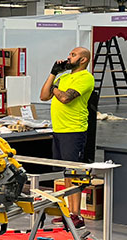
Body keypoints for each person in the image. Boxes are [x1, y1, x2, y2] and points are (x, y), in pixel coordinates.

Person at [39, 47, 95, 229]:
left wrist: (55, 86)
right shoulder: (63, 77)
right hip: (59, 130)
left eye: (73, 55)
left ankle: (76, 214)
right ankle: (67, 213)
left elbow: (64, 98)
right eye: (70, 54)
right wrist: (52, 73)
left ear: (83, 60)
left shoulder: (85, 78)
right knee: (65, 174)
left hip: (74, 131)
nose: (68, 57)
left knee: (74, 173)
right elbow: (44, 95)